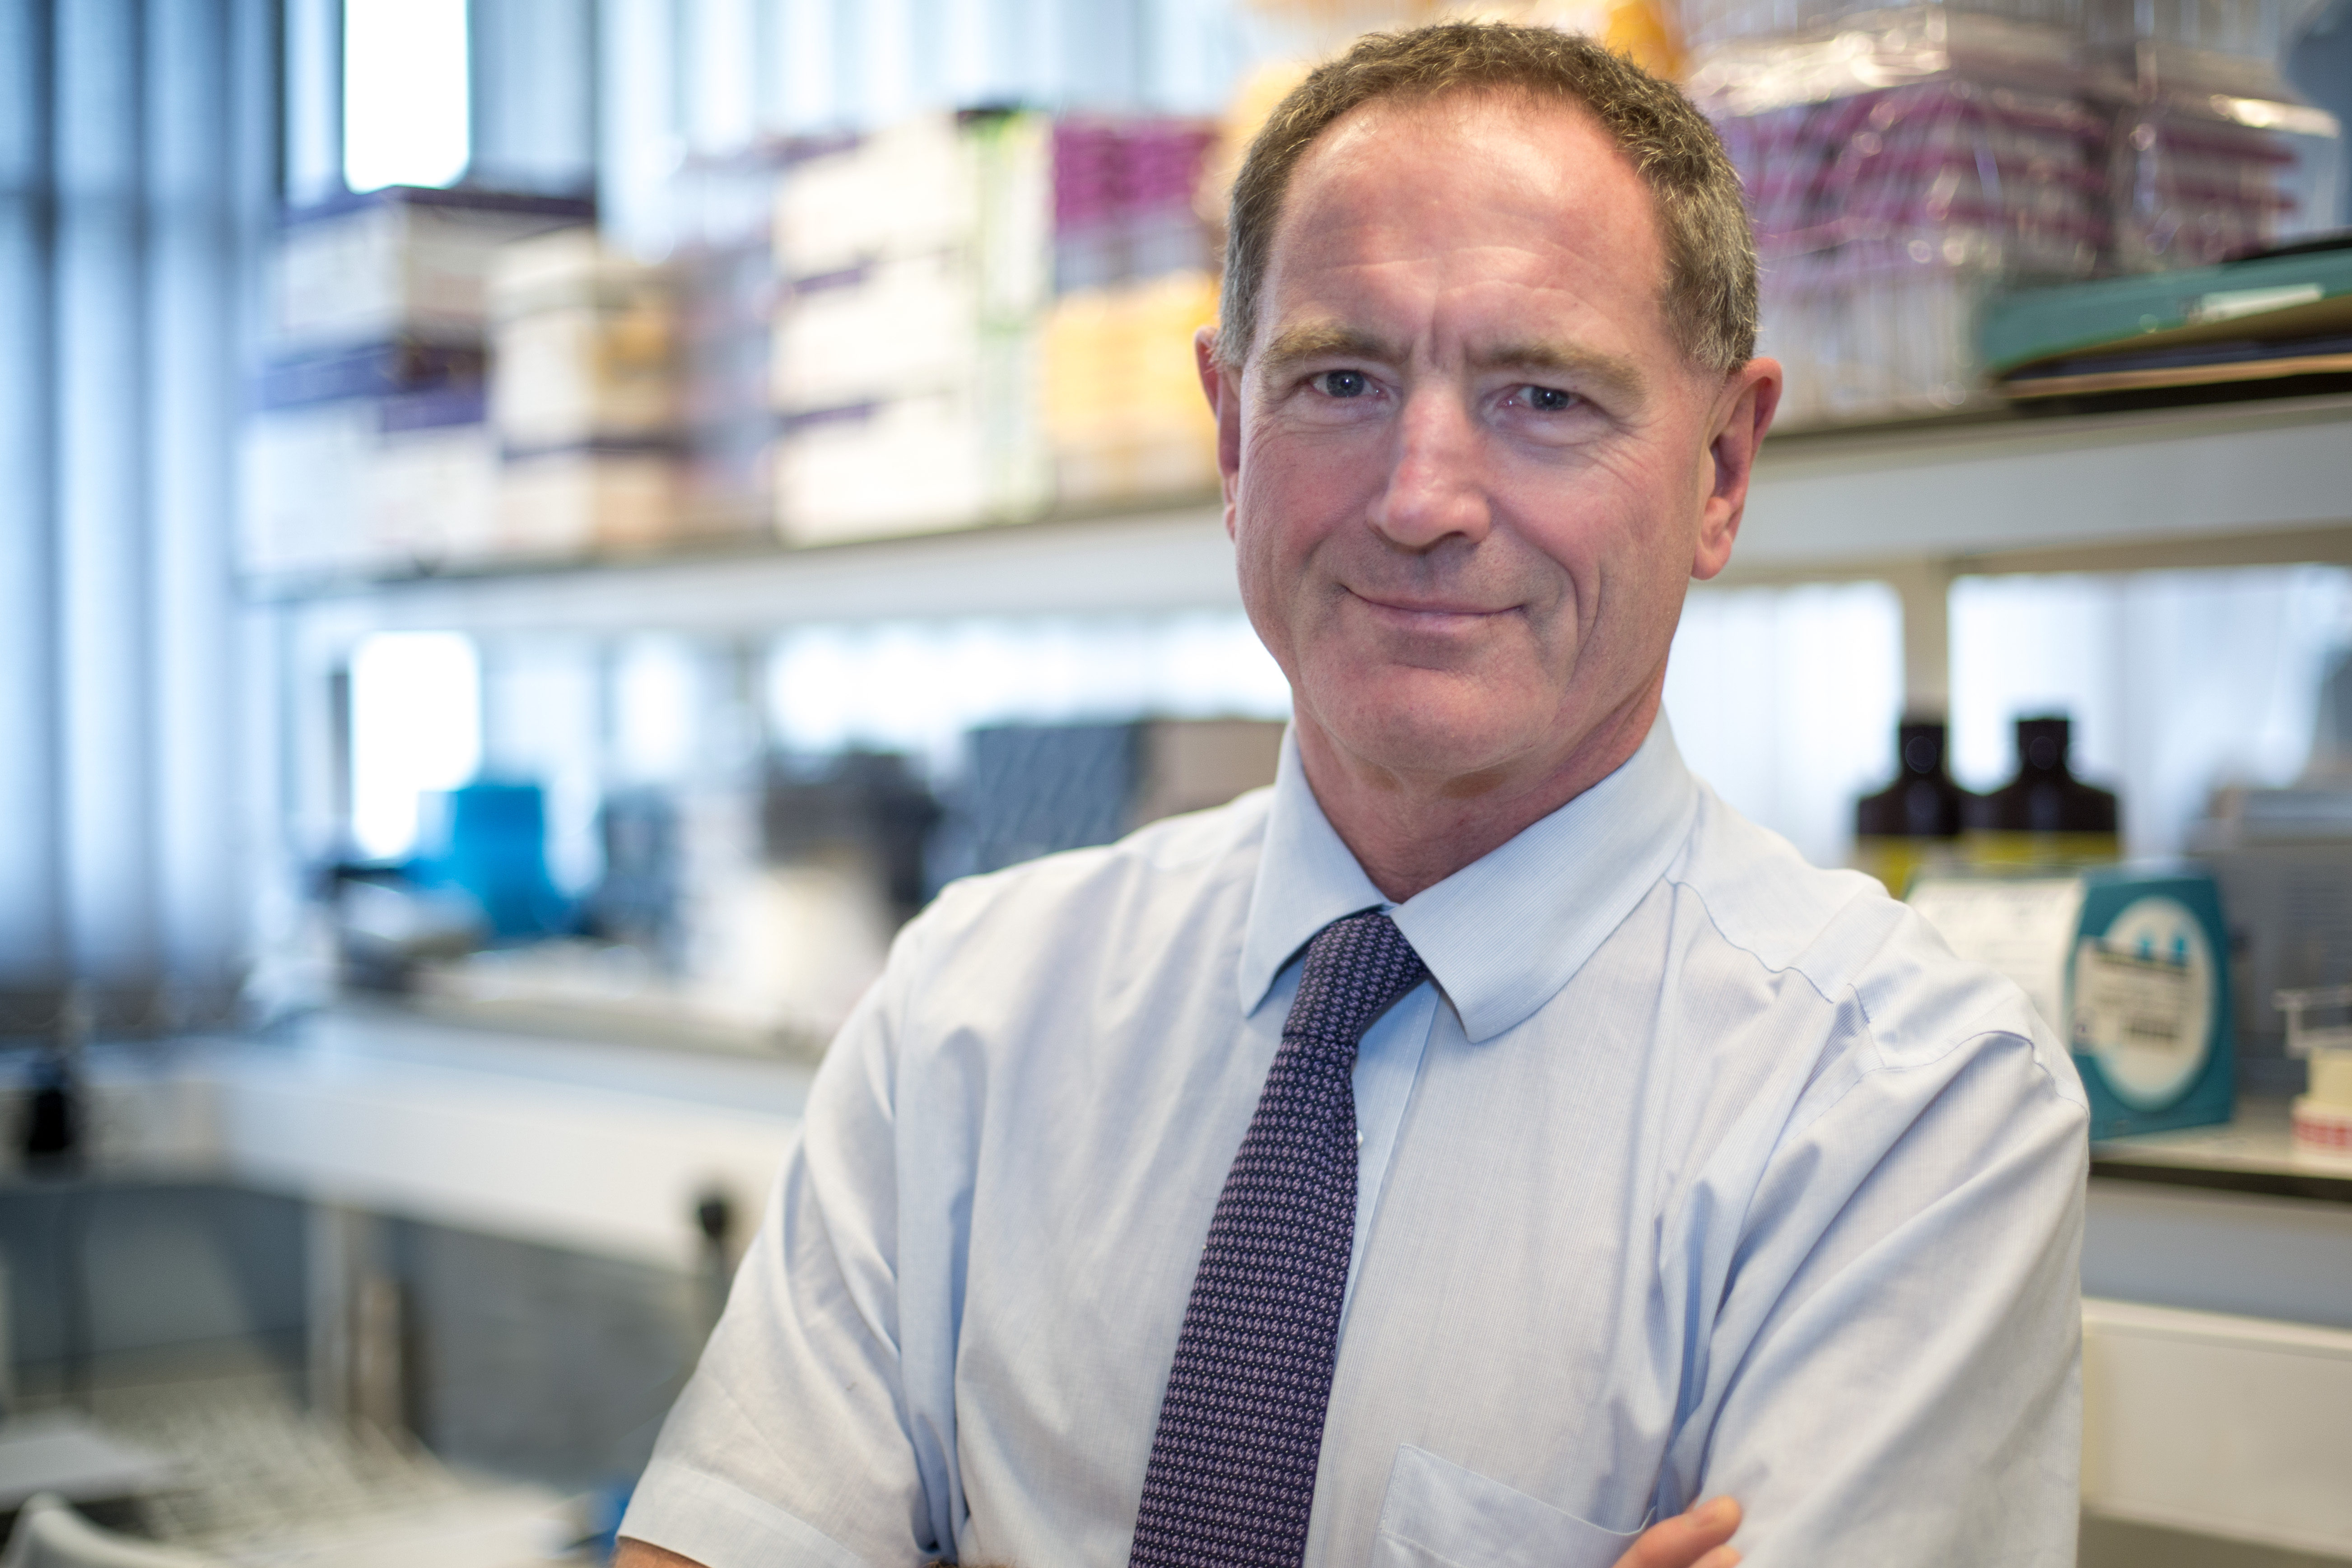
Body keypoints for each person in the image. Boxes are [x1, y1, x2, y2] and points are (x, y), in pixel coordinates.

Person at [616, 22, 2087, 1568]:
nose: (1420, 498)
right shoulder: (967, 1018)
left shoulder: (1905, 1111)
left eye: (1544, 396)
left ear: (1720, 466)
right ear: (1233, 434)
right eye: (1339, 378)